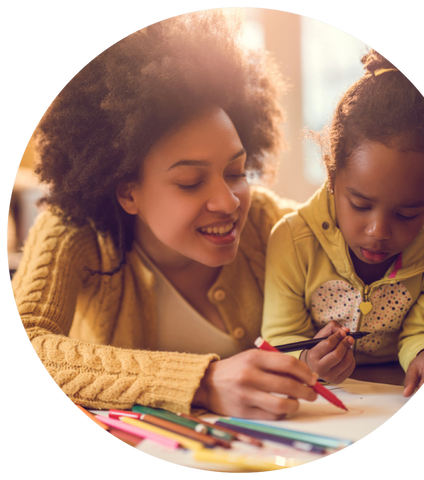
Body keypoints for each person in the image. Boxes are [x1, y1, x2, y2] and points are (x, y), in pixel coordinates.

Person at [10, 10, 334, 421]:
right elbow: (32, 341)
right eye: (190, 182)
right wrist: (203, 383)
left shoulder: (274, 226)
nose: (229, 201)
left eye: (236, 172)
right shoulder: (78, 235)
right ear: (129, 191)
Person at [261, 47, 424, 398]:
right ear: (332, 177)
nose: (378, 232)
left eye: (407, 214)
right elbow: (281, 339)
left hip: (392, 392)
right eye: (359, 204)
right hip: (321, 398)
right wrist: (309, 360)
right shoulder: (292, 240)